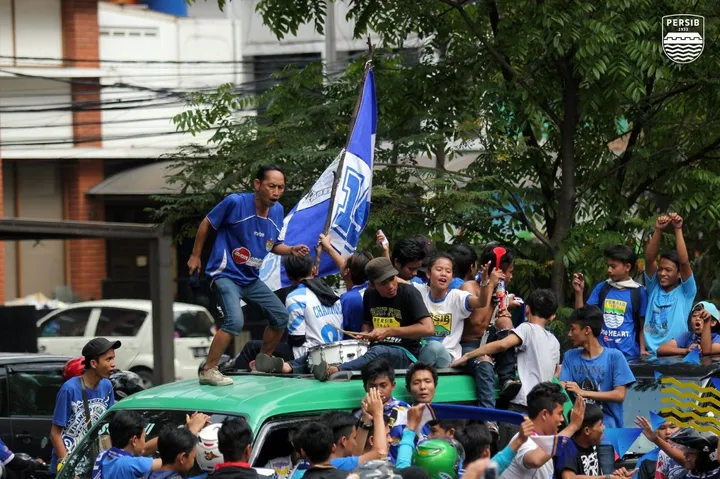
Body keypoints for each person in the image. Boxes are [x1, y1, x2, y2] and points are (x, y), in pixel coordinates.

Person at [188, 164, 310, 386]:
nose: (276, 192)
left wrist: (291, 249)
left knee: (280, 316)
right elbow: (207, 223)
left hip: (251, 278)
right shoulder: (235, 202)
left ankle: (261, 364)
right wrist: (195, 256)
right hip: (225, 274)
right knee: (235, 321)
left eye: (280, 187)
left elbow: (273, 245)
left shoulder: (278, 211)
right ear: (257, 185)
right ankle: (208, 369)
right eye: (271, 186)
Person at [311, 258, 434, 380]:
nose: (391, 286)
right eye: (383, 283)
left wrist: (389, 331)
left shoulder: (409, 293)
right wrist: (365, 333)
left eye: (392, 279)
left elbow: (428, 328)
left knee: (378, 351)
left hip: (406, 353)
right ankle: (292, 366)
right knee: (322, 348)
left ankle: (335, 371)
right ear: (372, 285)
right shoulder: (369, 294)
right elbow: (367, 323)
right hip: (373, 349)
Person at [452, 288, 561, 414]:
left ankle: (506, 380)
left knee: (504, 331)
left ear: (527, 309)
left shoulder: (527, 329)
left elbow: (502, 345)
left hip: (523, 403)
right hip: (544, 406)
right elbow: (553, 372)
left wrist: (468, 355)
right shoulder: (555, 341)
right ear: (552, 317)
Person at [254, 255, 343, 374]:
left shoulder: (295, 297)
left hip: (308, 355)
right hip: (336, 354)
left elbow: (297, 338)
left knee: (251, 347)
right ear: (314, 270)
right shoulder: (334, 293)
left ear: (288, 275)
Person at [460, 245, 521, 411]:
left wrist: (504, 306)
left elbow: (500, 324)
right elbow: (477, 322)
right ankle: (489, 418)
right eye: (509, 272)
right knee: (484, 362)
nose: (511, 276)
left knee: (505, 322)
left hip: (492, 343)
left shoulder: (501, 291)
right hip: (471, 345)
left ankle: (506, 379)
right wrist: (490, 286)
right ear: (499, 272)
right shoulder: (469, 287)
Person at [51, 337, 119, 474]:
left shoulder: (107, 386)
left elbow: (106, 428)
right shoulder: (69, 389)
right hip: (69, 468)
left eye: (113, 358)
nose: (113, 364)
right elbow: (55, 434)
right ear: (94, 363)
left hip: (92, 468)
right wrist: (68, 470)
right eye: (108, 359)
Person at [560, 306, 636, 428]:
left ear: (587, 330)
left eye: (573, 329)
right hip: (578, 432)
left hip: (608, 432)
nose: (569, 334)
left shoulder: (615, 357)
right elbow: (562, 389)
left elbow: (619, 395)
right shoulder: (569, 357)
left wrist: (583, 392)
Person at [412, 254, 492, 367]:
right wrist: (385, 249)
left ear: (452, 277)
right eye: (439, 269)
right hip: (420, 351)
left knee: (434, 346)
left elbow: (481, 302)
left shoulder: (457, 297)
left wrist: (484, 283)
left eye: (448, 271)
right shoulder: (419, 291)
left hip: (447, 355)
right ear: (428, 273)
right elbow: (393, 281)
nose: (443, 274)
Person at [573, 244, 649, 359]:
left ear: (627, 267)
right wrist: (579, 293)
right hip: (602, 356)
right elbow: (582, 317)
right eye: (608, 266)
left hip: (629, 357)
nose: (609, 270)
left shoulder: (638, 292)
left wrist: (642, 350)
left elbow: (642, 325)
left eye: (613, 266)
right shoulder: (602, 288)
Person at [500, 382, 585, 479]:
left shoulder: (545, 443)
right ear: (544, 414)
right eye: (560, 413)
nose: (562, 419)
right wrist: (573, 426)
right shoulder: (524, 439)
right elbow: (534, 460)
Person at [643, 213, 697, 355]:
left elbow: (684, 262)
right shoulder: (654, 287)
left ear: (679, 274)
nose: (662, 274)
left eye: (668, 270)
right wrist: (658, 230)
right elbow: (649, 259)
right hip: (650, 356)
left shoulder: (686, 292)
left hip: (676, 354)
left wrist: (678, 229)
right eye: (660, 269)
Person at [317, 389, 388, 472]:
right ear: (343, 441)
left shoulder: (325, 460)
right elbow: (380, 454)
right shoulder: (335, 464)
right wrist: (378, 414)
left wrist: (366, 418)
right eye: (354, 438)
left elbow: (357, 454)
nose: (356, 443)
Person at [319, 233, 373, 335]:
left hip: (352, 346)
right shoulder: (371, 287)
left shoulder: (347, 299)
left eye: (344, 261)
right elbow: (348, 268)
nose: (342, 261)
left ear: (347, 271)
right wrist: (328, 248)